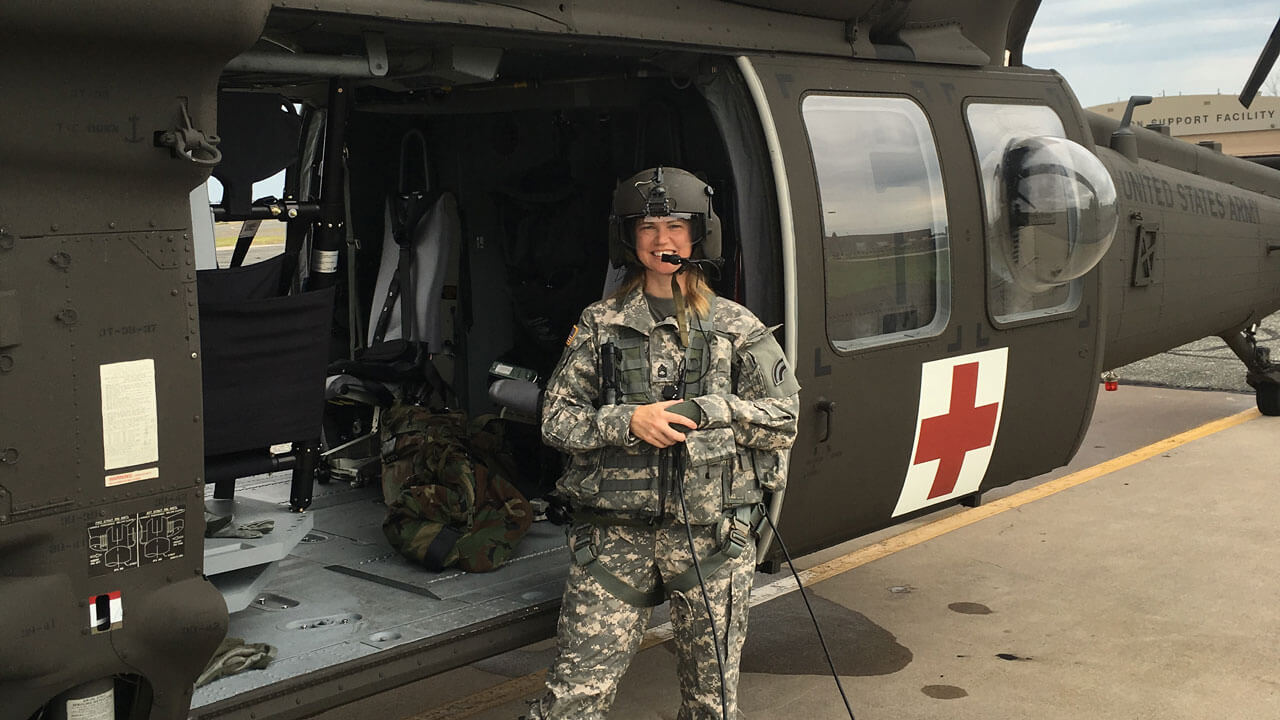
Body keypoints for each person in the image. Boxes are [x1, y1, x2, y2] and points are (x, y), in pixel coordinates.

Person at [526, 166, 800, 719]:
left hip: (712, 539)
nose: (662, 239)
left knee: (711, 705)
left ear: (699, 235)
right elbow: (555, 420)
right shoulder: (600, 323)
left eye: (676, 226)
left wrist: (714, 409)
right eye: (647, 227)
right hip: (613, 539)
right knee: (573, 696)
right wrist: (627, 421)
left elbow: (784, 419)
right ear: (628, 238)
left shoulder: (736, 326)